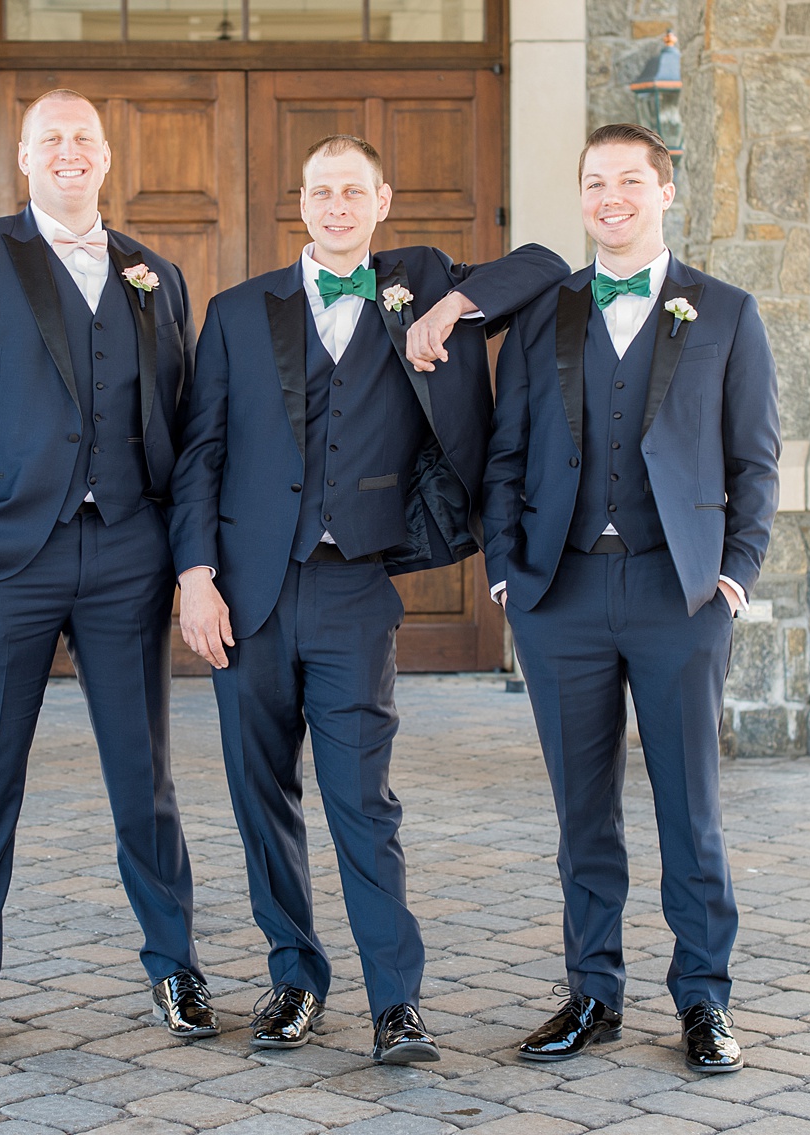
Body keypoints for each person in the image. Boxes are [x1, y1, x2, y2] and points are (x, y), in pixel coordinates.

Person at [171, 133, 567, 1063]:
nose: (338, 207)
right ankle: (295, 979)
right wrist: (195, 578)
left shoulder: (421, 280)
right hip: (249, 592)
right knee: (257, 793)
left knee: (362, 799)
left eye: (355, 192)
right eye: (322, 192)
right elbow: (200, 459)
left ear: (383, 201)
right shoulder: (237, 312)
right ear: (299, 203)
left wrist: (457, 307)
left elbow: (545, 266)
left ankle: (397, 1001)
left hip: (355, 591)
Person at [0, 90, 213, 1058]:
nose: (68, 152)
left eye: (83, 139)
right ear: (21, 157)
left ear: (106, 157)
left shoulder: (157, 275)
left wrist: (180, 554)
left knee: (142, 780)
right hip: (3, 558)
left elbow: (186, 434)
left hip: (124, 561)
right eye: (50, 139)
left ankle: (174, 969)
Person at [452, 122, 781, 1073]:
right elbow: (504, 455)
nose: (611, 198)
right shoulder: (546, 312)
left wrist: (733, 577)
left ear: (664, 192)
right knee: (582, 811)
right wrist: (507, 572)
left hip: (679, 594)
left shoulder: (724, 312)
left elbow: (754, 460)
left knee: (691, 806)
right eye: (596, 182)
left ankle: (703, 1001)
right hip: (561, 593)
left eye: (629, 181)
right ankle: (591, 993)